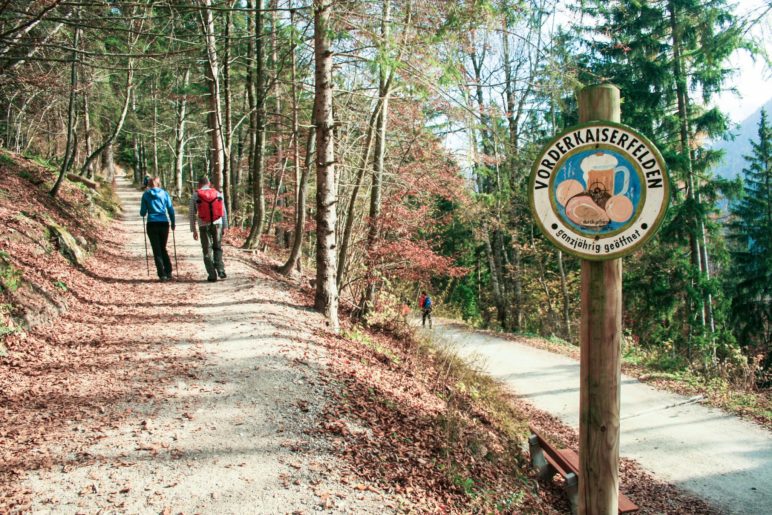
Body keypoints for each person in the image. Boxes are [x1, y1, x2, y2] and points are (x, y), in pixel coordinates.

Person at [190, 176, 227, 282]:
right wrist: (225, 226)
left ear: (199, 184)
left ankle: (212, 274)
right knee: (217, 247)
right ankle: (220, 270)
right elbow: (223, 211)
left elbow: (192, 214)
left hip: (203, 225)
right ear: (209, 183)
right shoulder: (217, 193)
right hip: (217, 224)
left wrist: (193, 230)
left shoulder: (195, 195)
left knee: (207, 250)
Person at [140, 177, 175, 281]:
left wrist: (146, 209)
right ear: (159, 184)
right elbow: (170, 209)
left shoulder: (146, 195)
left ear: (149, 184)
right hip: (164, 223)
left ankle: (162, 274)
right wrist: (173, 222)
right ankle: (168, 271)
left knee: (157, 249)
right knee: (163, 247)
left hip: (152, 223)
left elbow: (142, 212)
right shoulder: (164, 194)